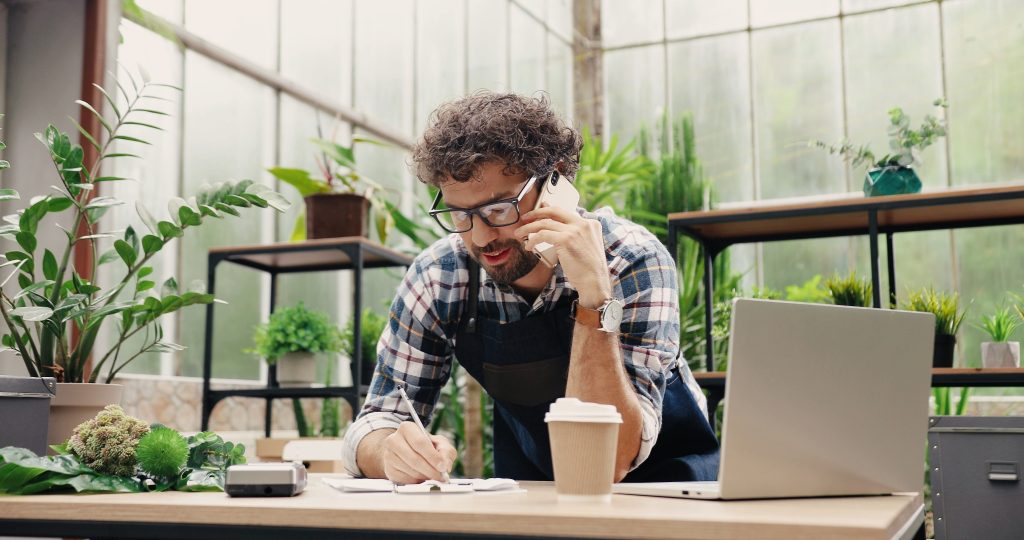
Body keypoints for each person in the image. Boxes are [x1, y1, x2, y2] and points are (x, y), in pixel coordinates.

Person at [341, 92, 719, 484]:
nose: (483, 236)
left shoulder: (631, 259)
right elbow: (378, 420)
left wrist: (595, 299)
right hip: (536, 491)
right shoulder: (441, 276)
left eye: (500, 208)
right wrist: (391, 453)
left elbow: (607, 463)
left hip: (668, 492)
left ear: (555, 179)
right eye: (460, 214)